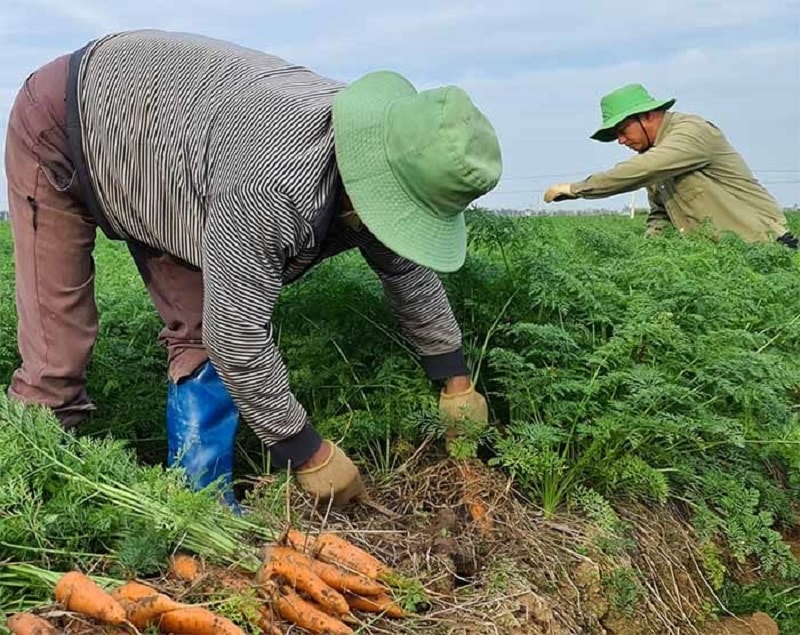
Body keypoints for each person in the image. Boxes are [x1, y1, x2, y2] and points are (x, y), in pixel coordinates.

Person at [5, 29, 501, 508]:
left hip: (178, 148)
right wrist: (306, 451)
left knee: (200, 327)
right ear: (371, 176)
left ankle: (198, 503)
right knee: (57, 355)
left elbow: (406, 270)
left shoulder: (383, 148)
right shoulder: (272, 189)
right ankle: (33, 506)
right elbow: (237, 336)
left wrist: (454, 377)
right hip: (70, 118)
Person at [543, 83, 797, 248]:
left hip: (766, 249)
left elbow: (645, 168)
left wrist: (577, 189)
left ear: (647, 116)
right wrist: (650, 255)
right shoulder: (656, 160)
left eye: (622, 130)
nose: (620, 140)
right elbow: (660, 216)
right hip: (721, 262)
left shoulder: (691, 132)